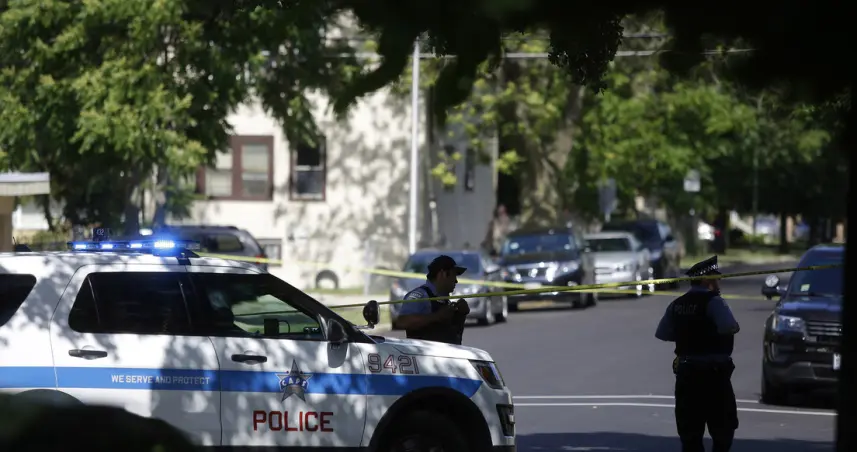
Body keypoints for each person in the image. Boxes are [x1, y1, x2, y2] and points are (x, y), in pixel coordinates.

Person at [655, 255, 740, 452]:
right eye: (716, 278)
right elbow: (730, 327)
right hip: (714, 376)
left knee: (690, 433)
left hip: (687, 374)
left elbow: (663, 333)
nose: (718, 283)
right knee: (723, 430)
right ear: (706, 280)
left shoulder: (677, 304)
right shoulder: (715, 302)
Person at [394, 255, 471, 345]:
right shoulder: (420, 296)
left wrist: (461, 315)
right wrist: (437, 316)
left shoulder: (445, 301)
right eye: (454, 276)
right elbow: (402, 321)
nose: (456, 281)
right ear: (442, 274)